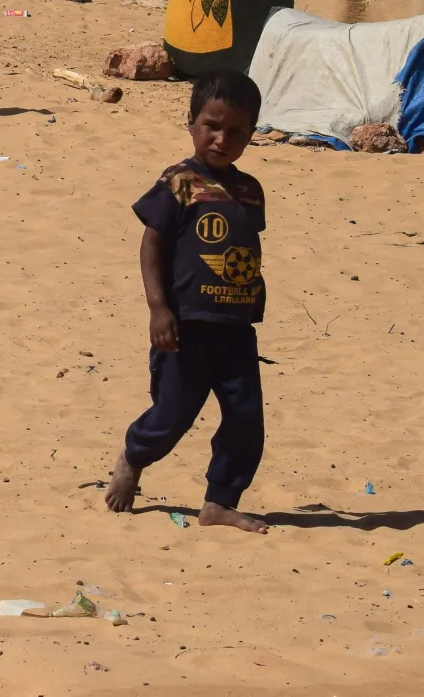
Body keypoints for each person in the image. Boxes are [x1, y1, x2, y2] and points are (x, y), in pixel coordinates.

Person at [105, 69, 270, 532]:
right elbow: (152, 245)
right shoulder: (178, 181)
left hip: (235, 328)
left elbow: (242, 251)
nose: (221, 139)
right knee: (172, 415)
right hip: (186, 326)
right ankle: (134, 456)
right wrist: (159, 309)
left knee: (246, 421)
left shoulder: (249, 191)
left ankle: (219, 502)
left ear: (251, 135)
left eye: (235, 132)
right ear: (192, 123)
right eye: (211, 126)